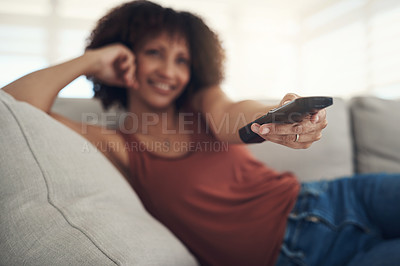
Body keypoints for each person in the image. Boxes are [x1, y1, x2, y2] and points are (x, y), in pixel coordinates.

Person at [2, 1, 400, 265]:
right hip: (302, 256)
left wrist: (274, 118)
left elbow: (232, 115)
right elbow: (12, 108)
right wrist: (91, 60)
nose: (169, 72)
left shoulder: (202, 104)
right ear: (127, 55)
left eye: (182, 60)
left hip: (342, 197)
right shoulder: (116, 144)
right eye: (155, 52)